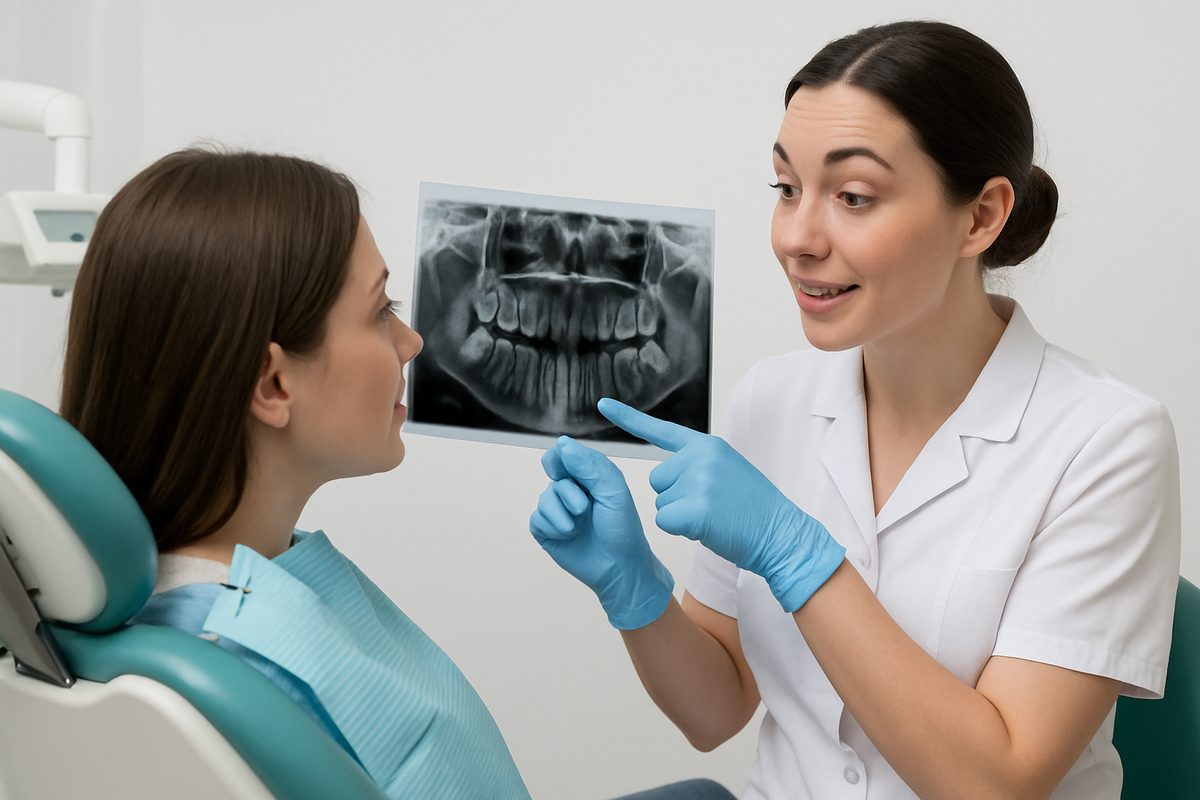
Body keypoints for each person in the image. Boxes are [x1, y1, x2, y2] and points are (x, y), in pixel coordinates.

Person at [530, 20, 1180, 800]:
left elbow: (998, 782)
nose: (797, 238)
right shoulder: (771, 398)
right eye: (786, 189)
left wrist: (795, 554)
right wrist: (632, 591)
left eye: (853, 197)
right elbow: (716, 708)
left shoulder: (1107, 441)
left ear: (980, 216)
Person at [59, 148, 530, 799]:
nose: (412, 341)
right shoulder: (249, 661)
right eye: (379, 309)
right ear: (273, 383)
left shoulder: (227, 588)